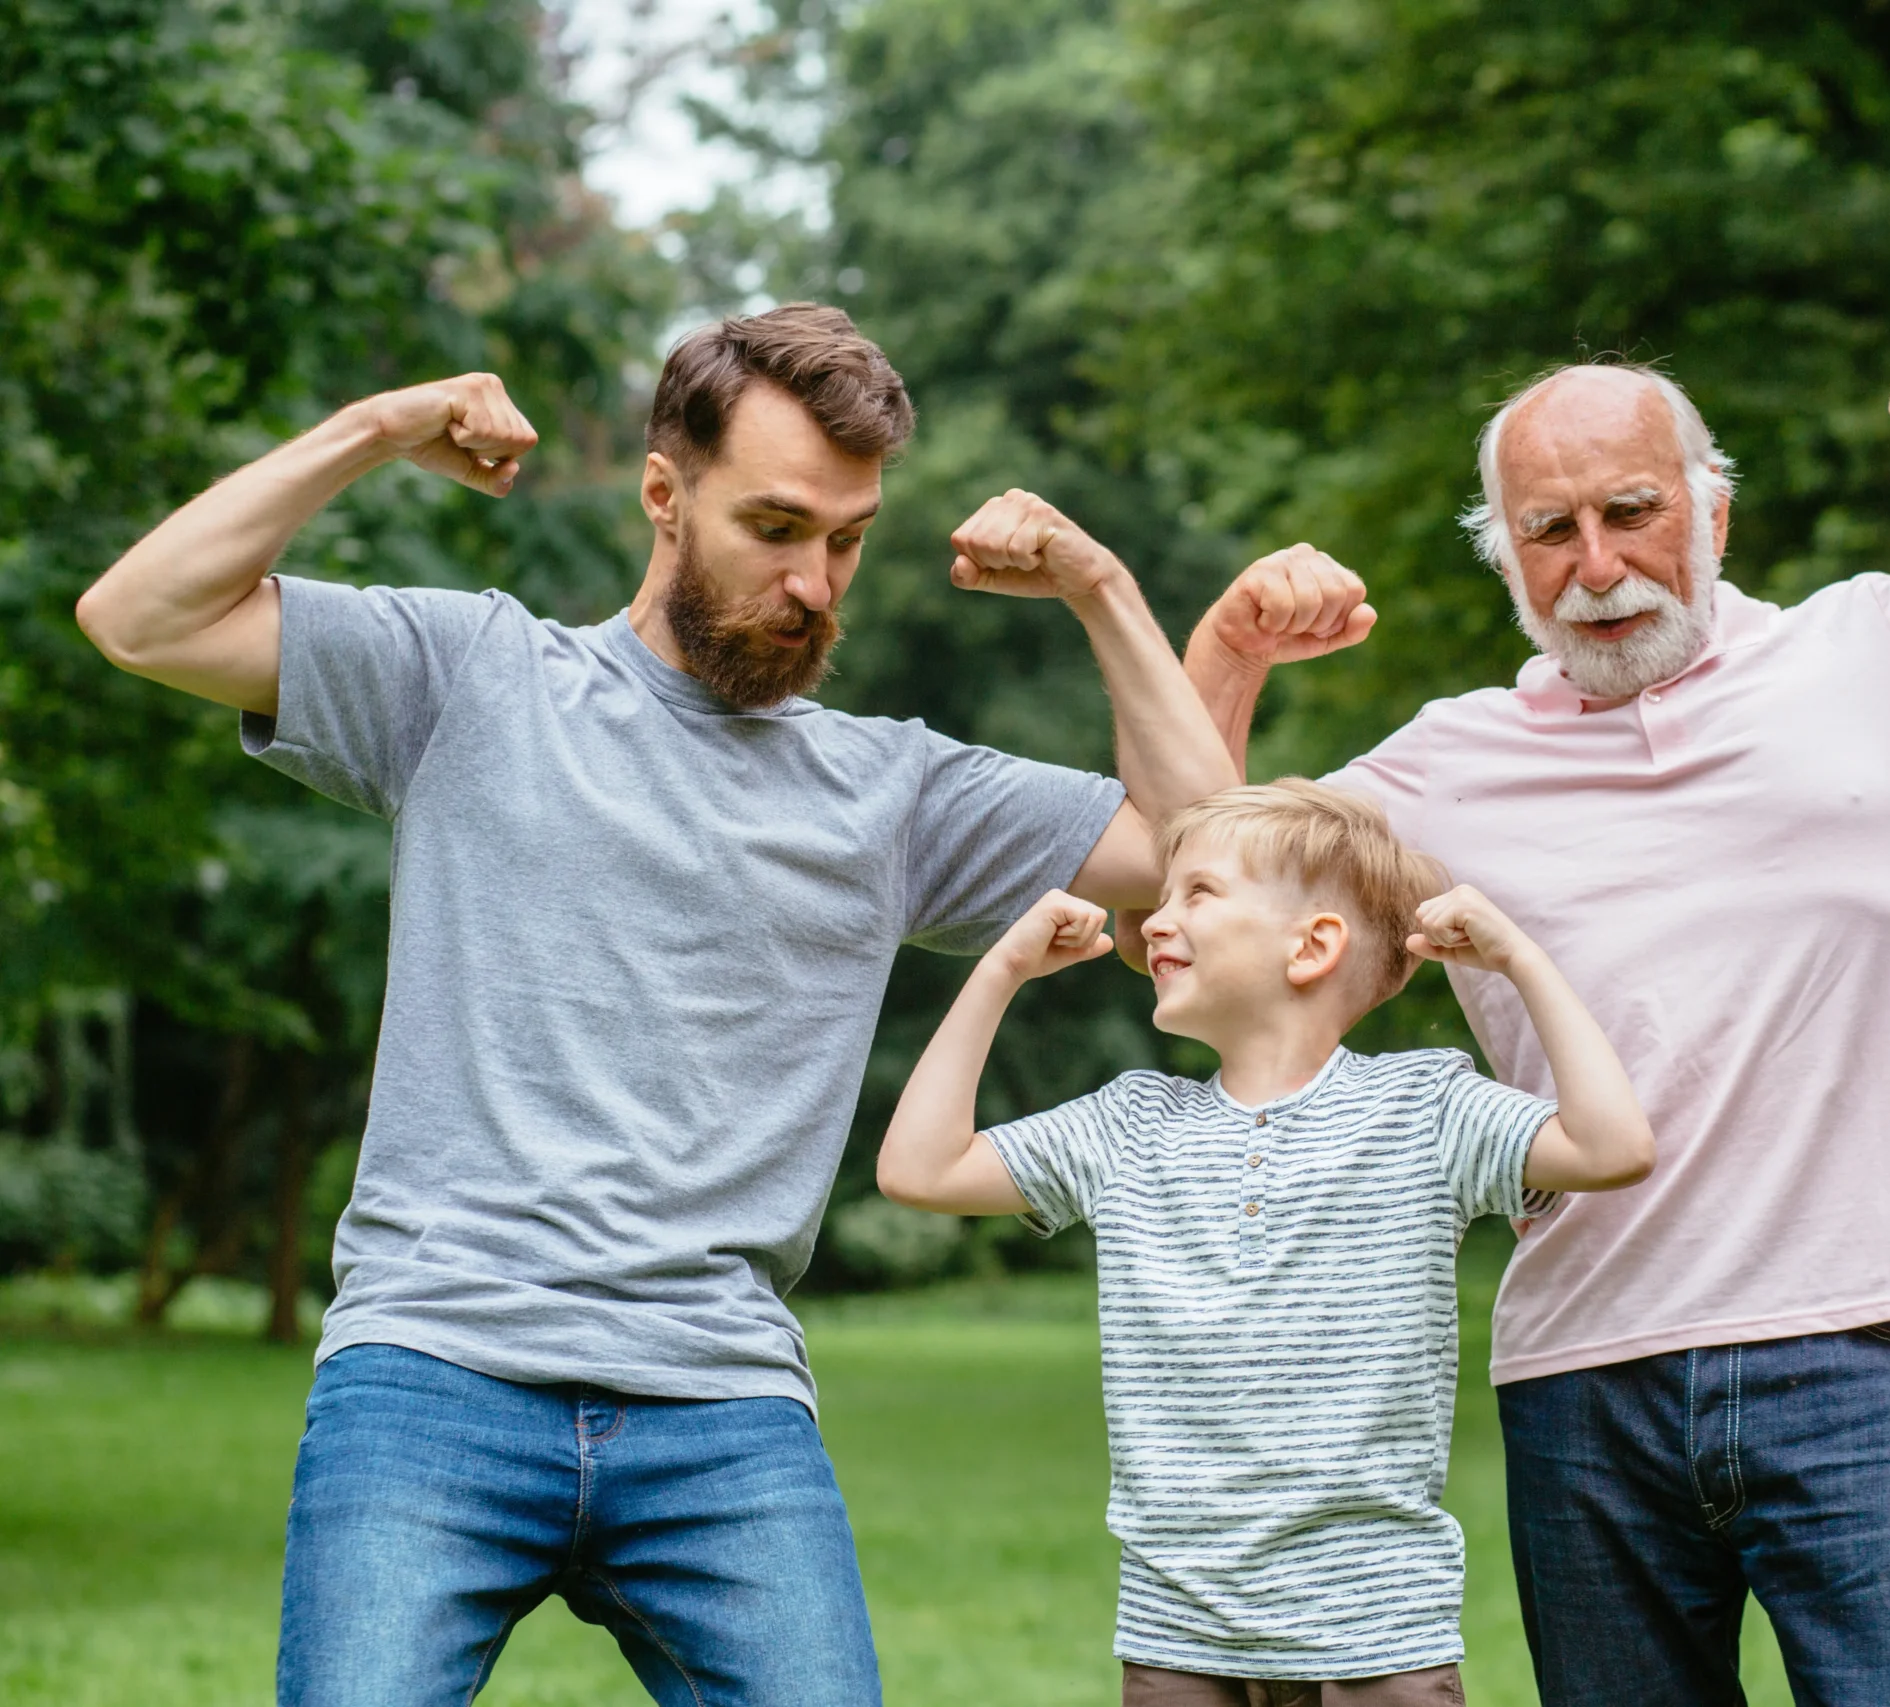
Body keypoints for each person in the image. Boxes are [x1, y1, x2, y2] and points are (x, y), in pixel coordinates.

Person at [72, 302, 1240, 1707]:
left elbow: (1213, 855)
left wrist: (1100, 584)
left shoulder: (896, 790)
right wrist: (379, 429)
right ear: (662, 494)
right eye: (776, 526)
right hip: (437, 1365)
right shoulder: (473, 679)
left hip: (721, 1398)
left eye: (848, 537)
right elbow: (139, 615)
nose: (816, 581)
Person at [1175, 352, 1890, 1706]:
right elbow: (1188, 917)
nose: (1596, 563)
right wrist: (1224, 662)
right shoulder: (1443, 763)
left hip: (1879, 1346)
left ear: (1715, 513)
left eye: (1631, 510)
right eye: (1549, 530)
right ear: (1507, 560)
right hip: (1587, 1379)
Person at [875, 780, 1655, 1705]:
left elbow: (1612, 1146)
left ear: (1313, 945)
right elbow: (918, 1169)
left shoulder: (1424, 1108)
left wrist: (1519, 958)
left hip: (1375, 1636)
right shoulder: (1130, 1125)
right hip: (1179, 1633)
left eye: (1197, 893)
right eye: (1161, 897)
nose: (1156, 921)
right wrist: (998, 968)